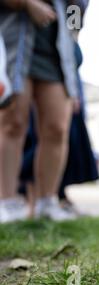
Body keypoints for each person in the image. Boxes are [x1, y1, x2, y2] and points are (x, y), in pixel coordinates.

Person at [0, 0, 81, 222]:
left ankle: (48, 202)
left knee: (57, 128)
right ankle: (6, 203)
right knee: (12, 123)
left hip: (57, 50)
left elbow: (77, 16)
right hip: (13, 43)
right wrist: (26, 3)